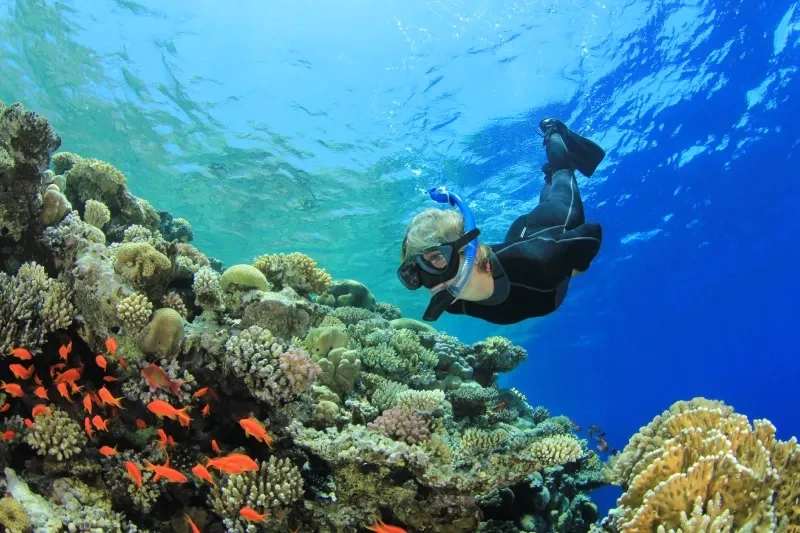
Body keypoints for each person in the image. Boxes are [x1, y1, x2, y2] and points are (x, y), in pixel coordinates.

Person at [398, 118, 606, 323]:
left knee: (562, 174)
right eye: (414, 271)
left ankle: (554, 132)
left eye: (437, 257)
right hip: (520, 233)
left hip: (553, 222)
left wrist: (571, 268)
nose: (428, 281)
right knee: (551, 181)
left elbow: (592, 232)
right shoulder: (454, 304)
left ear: (473, 251)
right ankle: (548, 175)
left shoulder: (541, 261)